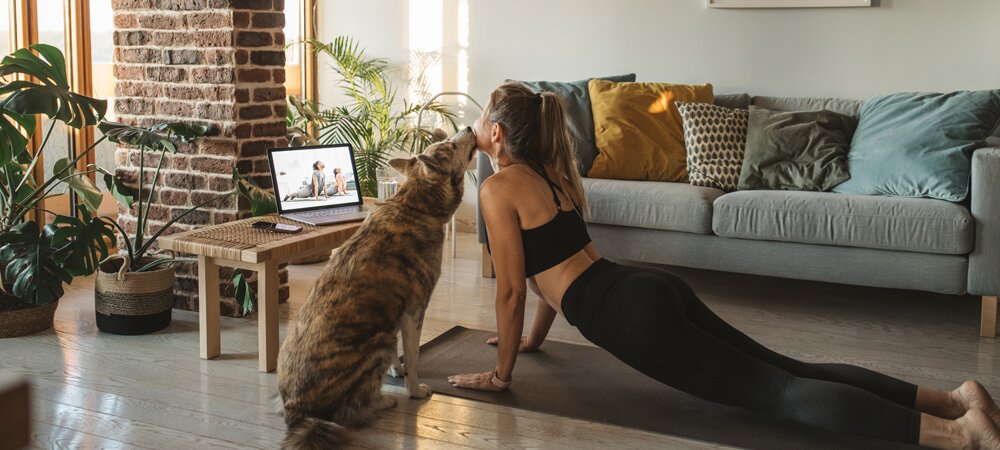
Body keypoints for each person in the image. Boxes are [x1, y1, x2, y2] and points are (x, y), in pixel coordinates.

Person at [446, 83, 1000, 449]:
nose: (475, 124)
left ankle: (959, 436)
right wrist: (531, 341)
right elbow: (551, 272)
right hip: (639, 286)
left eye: (481, 117)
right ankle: (955, 400)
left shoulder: (498, 187)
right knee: (790, 370)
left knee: (778, 393)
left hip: (626, 314)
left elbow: (512, 290)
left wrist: (501, 375)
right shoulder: (549, 171)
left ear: (498, 133)